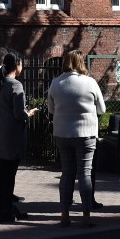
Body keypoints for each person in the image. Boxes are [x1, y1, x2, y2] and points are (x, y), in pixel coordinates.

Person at [47, 49, 107, 227]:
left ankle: (65, 214)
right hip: (86, 133)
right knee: (85, 173)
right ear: (82, 63)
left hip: (63, 132)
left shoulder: (56, 83)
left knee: (67, 173)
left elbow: (51, 109)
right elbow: (102, 109)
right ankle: (86, 215)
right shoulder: (90, 83)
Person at [0, 51, 39, 223]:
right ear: (17, 65)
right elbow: (19, 114)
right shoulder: (15, 85)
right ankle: (6, 211)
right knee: (9, 177)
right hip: (11, 136)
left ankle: (4, 209)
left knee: (0, 176)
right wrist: (29, 114)